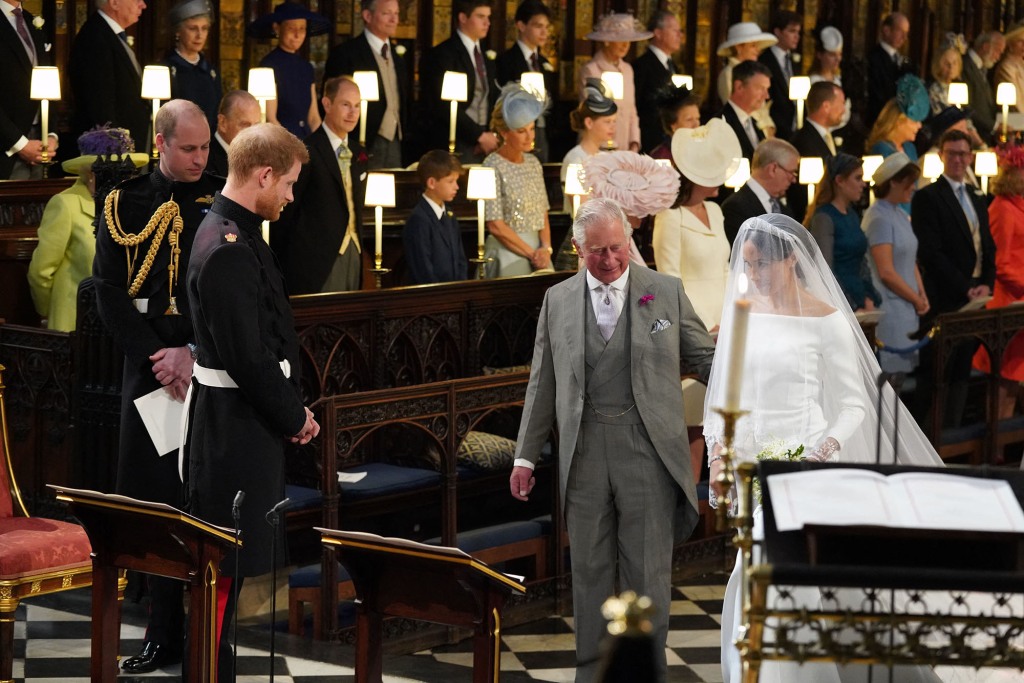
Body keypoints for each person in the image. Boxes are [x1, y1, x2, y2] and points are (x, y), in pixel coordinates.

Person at [705, 213, 944, 683]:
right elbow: (724, 396)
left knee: (777, 574)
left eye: (761, 267)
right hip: (750, 465)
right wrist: (717, 455)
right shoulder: (742, 312)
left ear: (792, 259)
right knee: (752, 572)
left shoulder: (826, 320)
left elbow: (854, 404)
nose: (752, 276)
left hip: (805, 465)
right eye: (747, 266)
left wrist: (819, 452)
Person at [510, 196, 715, 683]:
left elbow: (706, 359)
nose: (609, 260)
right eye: (597, 251)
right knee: (589, 571)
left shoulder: (663, 291)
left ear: (630, 241)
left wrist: (747, 392)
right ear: (578, 249)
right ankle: (591, 672)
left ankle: (648, 672)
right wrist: (524, 457)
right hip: (582, 453)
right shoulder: (556, 300)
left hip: (647, 450)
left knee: (647, 572)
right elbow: (543, 383)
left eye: (618, 248)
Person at [91, 99, 223, 675]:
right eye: (189, 148)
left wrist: (190, 354)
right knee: (150, 502)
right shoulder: (124, 201)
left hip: (204, 367)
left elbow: (223, 294)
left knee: (196, 501)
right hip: (147, 370)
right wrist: (155, 355)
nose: (200, 158)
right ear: (161, 142)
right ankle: (157, 633)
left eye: (206, 147)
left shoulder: (221, 199)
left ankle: (196, 633)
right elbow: (108, 291)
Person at [183, 122, 318, 682]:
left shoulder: (238, 230)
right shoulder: (228, 247)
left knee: (233, 572)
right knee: (222, 568)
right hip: (233, 427)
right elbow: (247, 357)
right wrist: (293, 416)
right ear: (263, 175)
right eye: (286, 183)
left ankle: (219, 669)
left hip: (244, 421)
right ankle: (209, 674)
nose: (289, 195)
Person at [652, 119, 740, 481]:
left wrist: (732, 317)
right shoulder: (669, 217)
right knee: (693, 419)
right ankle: (689, 504)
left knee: (726, 415)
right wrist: (701, 327)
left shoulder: (717, 212)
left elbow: (726, 269)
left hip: (726, 322)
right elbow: (669, 280)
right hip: (694, 328)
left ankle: (723, 503)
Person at [912, 129, 996, 428]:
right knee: (940, 374)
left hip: (976, 296)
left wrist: (987, 282)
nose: (959, 160)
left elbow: (987, 244)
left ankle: (954, 434)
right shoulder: (928, 196)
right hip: (946, 298)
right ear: (941, 156)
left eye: (963, 154)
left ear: (971, 156)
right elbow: (932, 253)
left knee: (963, 370)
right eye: (952, 154)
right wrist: (966, 286)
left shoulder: (977, 195)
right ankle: (933, 438)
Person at [28, 127, 147, 332]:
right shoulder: (66, 204)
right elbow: (41, 272)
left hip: (122, 325)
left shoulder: (132, 205)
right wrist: (50, 311)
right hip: (75, 323)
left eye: (127, 171)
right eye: (112, 172)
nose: (122, 178)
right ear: (91, 173)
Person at [274, 76, 366, 294]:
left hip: (354, 251)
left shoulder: (359, 152)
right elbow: (288, 211)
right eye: (345, 105)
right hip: (315, 260)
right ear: (326, 104)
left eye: (357, 106)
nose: (353, 113)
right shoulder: (307, 151)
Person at [323, 0, 408, 169]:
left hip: (396, 141)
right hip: (360, 139)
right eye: (386, 13)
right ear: (367, 16)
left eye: (396, 13)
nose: (394, 19)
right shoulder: (346, 53)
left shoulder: (398, 58)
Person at [865, 153, 927, 374]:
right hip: (891, 308)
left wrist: (922, 294)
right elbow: (886, 272)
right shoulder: (878, 218)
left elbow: (910, 258)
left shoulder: (900, 215)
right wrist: (915, 298)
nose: (913, 188)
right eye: (909, 183)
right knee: (889, 380)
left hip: (907, 304)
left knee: (900, 379)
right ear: (893, 182)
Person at [974, 145, 1024, 418]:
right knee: (1003, 378)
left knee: (1013, 378)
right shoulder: (1002, 209)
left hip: (1019, 301)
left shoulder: (1017, 206)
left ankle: (1003, 446)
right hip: (1006, 302)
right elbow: (1000, 262)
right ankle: (995, 446)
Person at [483, 84, 551, 277]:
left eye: (532, 128)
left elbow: (543, 213)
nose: (530, 136)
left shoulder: (534, 163)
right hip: (507, 250)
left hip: (539, 251)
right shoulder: (491, 165)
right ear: (505, 133)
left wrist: (545, 248)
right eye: (522, 131)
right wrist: (532, 254)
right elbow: (495, 224)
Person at [421, 0, 498, 164]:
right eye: (481, 16)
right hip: (455, 139)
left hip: (486, 141)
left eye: (488, 17)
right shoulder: (444, 54)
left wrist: (489, 135)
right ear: (463, 17)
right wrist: (478, 136)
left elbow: (489, 96)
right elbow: (442, 104)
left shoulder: (486, 55)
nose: (487, 22)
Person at [68, 0, 150, 153]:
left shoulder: (111, 34)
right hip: (109, 151)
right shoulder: (95, 37)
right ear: (114, 3)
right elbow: (100, 103)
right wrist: (116, 148)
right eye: (137, 0)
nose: (143, 5)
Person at [806, 153, 880, 313]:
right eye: (858, 178)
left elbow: (861, 262)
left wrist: (868, 296)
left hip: (859, 299)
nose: (863, 184)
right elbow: (825, 270)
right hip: (841, 303)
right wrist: (851, 306)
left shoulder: (851, 214)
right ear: (839, 181)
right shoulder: (824, 217)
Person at [250, 2, 329, 139]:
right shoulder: (269, 65)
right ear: (277, 28)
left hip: (306, 139)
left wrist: (322, 145)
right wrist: (290, 146)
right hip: (281, 141)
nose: (297, 35)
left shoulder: (306, 67)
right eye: (291, 28)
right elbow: (270, 117)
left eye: (302, 28)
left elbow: (313, 117)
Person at [0, 0, 57, 180]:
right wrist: (20, 144)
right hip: (6, 146)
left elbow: (48, 78)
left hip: (39, 141)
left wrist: (51, 134)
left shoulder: (32, 22)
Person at [579, 13, 651, 153]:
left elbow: (632, 110)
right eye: (620, 39)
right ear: (606, 41)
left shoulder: (628, 70)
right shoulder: (591, 70)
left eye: (628, 40)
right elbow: (590, 112)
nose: (625, 45)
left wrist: (634, 142)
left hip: (625, 146)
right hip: (597, 146)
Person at [495, 0, 555, 162]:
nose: (544, 32)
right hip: (516, 133)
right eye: (538, 26)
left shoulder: (544, 63)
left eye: (546, 27)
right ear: (521, 25)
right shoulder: (506, 61)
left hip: (541, 131)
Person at [402, 150, 468, 284]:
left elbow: (460, 259)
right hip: (433, 297)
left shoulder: (449, 215)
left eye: (456, 181)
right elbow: (423, 269)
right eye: (450, 181)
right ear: (431, 183)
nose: (456, 187)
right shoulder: (419, 219)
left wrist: (460, 288)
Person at [721, 138, 798, 244]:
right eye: (791, 172)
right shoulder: (734, 207)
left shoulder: (783, 207)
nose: (793, 179)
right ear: (773, 169)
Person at [786, 80, 844, 220]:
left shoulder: (827, 136)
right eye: (841, 104)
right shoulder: (803, 141)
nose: (844, 110)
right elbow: (800, 193)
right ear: (826, 106)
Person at [559, 79, 616, 215]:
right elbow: (581, 208)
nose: (612, 126)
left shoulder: (604, 157)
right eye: (607, 122)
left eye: (614, 121)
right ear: (589, 122)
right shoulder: (575, 159)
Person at [163, 0, 220, 133]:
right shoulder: (166, 69)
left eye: (204, 28)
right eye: (193, 28)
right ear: (178, 31)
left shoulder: (211, 72)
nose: (199, 35)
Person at [714, 22, 777, 139]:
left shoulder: (758, 74)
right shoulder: (728, 74)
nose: (757, 50)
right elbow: (738, 107)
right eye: (753, 46)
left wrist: (768, 128)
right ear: (739, 47)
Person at [634, 10, 683, 153]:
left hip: (671, 142)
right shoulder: (642, 66)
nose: (679, 35)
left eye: (680, 31)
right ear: (658, 33)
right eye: (675, 31)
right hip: (650, 142)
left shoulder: (674, 67)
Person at [758, 10, 802, 142]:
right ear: (778, 32)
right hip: (775, 128)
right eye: (792, 31)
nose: (797, 36)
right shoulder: (765, 60)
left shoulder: (793, 61)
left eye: (798, 32)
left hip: (793, 128)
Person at [866, 12, 916, 124]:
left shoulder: (904, 61)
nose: (904, 38)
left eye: (906, 33)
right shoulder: (874, 58)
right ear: (886, 30)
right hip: (882, 119)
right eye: (900, 31)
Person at [719, 59, 773, 162]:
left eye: (767, 89)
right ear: (739, 87)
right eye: (761, 88)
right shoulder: (720, 123)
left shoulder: (754, 123)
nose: (766, 96)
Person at [806, 26, 852, 137]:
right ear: (819, 55)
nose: (837, 59)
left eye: (839, 54)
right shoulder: (813, 81)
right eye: (832, 55)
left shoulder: (839, 79)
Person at [963, 31, 1005, 145]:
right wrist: (995, 126)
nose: (998, 57)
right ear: (986, 47)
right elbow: (966, 107)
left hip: (985, 136)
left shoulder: (982, 68)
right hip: (973, 137)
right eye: (998, 51)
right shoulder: (965, 66)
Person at [208, 89, 261, 178]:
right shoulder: (205, 160)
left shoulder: (261, 156)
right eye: (245, 124)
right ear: (223, 123)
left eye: (256, 125)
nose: (253, 132)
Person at [647, 83, 700, 160]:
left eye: (697, 118)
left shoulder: (700, 151)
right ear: (673, 125)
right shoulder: (662, 157)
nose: (696, 124)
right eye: (689, 119)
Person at [995, 24, 1024, 115]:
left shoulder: (1021, 64)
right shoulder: (1006, 67)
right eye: (1020, 41)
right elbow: (1015, 104)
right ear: (1010, 44)